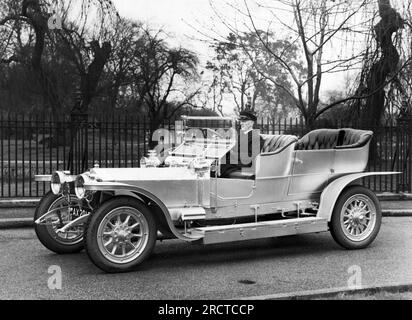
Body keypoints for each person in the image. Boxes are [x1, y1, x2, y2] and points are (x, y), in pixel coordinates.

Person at [220, 109, 263, 178]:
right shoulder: (239, 136)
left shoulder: (256, 138)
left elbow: (250, 157)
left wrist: (232, 153)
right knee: (214, 165)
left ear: (252, 123)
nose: (241, 123)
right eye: (241, 121)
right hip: (233, 163)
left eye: (244, 121)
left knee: (219, 167)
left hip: (242, 165)